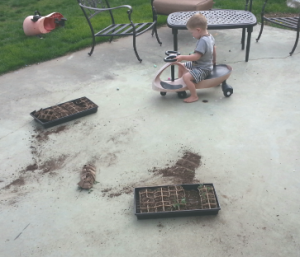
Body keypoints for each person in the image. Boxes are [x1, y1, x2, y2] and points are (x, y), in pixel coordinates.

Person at [176, 13, 216, 103]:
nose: (192, 35)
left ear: (198, 30)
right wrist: (214, 61)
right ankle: (181, 85)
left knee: (186, 77)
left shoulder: (203, 41)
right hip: (201, 64)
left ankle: (194, 96)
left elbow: (196, 57)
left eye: (192, 32)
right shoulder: (210, 37)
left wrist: (182, 56)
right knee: (180, 65)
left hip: (203, 68)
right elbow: (214, 49)